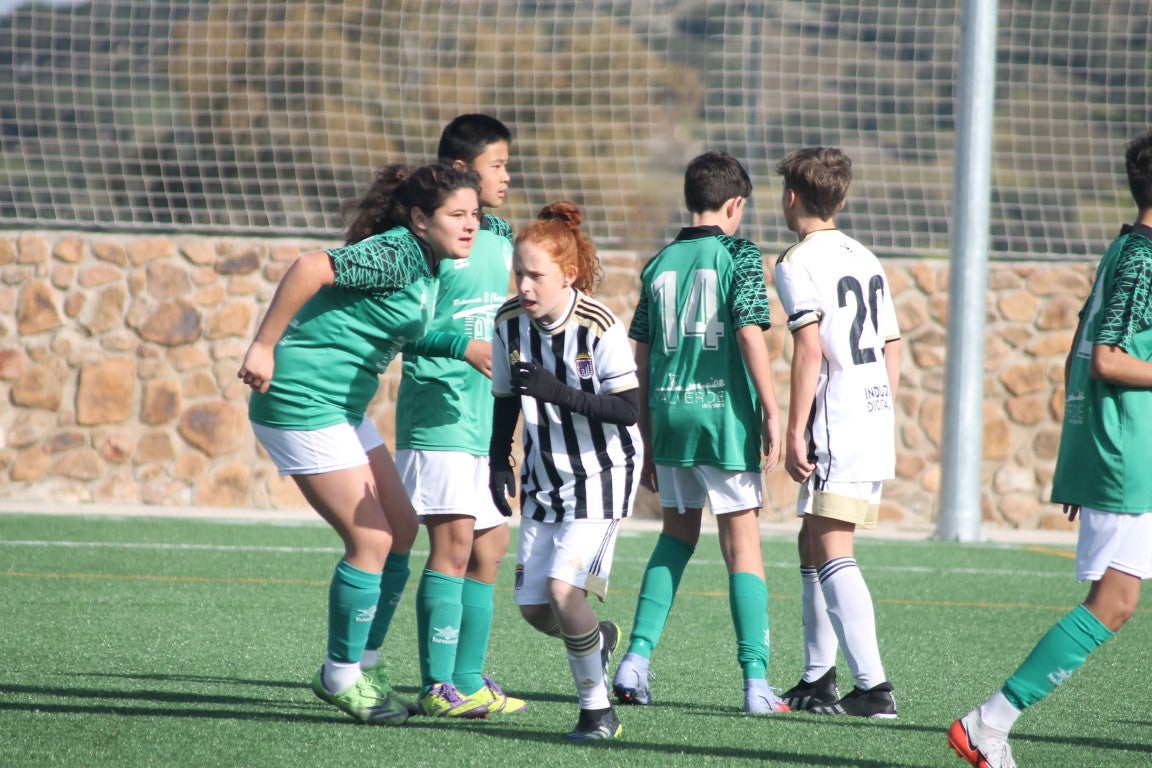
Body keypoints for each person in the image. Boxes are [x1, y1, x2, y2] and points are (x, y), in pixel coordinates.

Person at [237, 163, 489, 725]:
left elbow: (408, 329)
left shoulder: (427, 264)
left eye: (475, 214)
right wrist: (262, 346)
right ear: (421, 219)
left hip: (341, 408)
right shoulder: (398, 251)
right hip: (299, 399)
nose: (470, 225)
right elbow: (311, 267)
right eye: (458, 215)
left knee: (400, 528)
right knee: (371, 538)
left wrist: (463, 347)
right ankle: (339, 673)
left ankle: (366, 666)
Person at [948, 129, 1152, 768]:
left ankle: (991, 722)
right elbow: (1109, 361)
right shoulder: (1145, 258)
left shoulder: (1125, 248)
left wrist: (1080, 454)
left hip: (1117, 451)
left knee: (1117, 601)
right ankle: (990, 721)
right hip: (1128, 455)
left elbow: (1080, 351)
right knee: (1115, 603)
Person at [611, 151, 788, 715]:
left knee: (675, 537)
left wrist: (642, 427)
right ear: (735, 205)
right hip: (721, 418)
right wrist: (771, 407)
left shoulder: (658, 261)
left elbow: (640, 355)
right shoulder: (738, 252)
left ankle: (635, 662)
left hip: (668, 413)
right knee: (743, 548)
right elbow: (748, 333)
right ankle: (756, 684)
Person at [488, 201, 642, 741]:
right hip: (543, 475)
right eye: (519, 273)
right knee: (534, 610)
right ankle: (596, 639)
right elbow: (506, 398)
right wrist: (497, 460)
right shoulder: (508, 322)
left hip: (602, 473)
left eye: (537, 276)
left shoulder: (599, 325)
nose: (525, 286)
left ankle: (598, 712)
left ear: (568, 275)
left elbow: (628, 410)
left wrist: (560, 392)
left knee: (561, 591)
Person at [393, 115, 526, 718]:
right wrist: (463, 348)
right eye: (498, 164)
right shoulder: (427, 245)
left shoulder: (498, 239)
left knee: (490, 547)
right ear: (459, 170)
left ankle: (469, 679)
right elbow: (408, 332)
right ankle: (435, 685)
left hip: (484, 426)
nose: (506, 175)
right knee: (449, 549)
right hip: (440, 418)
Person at [772, 146, 901, 719]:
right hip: (870, 416)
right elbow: (892, 346)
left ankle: (873, 688)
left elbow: (808, 346)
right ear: (841, 200)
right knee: (812, 538)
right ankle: (818, 675)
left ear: (791, 197)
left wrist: (795, 428)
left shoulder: (796, 261)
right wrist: (879, 407)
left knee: (831, 547)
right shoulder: (866, 256)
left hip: (837, 419)